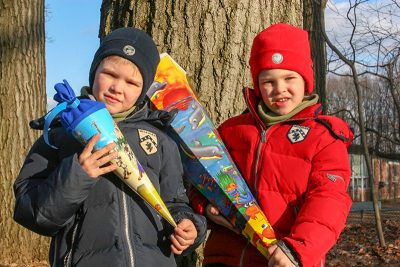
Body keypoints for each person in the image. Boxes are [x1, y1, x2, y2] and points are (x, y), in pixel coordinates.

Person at [13, 27, 206, 267]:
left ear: (143, 89)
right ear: (94, 73)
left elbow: (176, 202)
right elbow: (33, 214)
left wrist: (189, 225)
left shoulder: (160, 140)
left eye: (131, 82)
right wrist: (77, 175)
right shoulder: (59, 137)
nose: (117, 87)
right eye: (110, 74)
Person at [190, 23, 354, 267]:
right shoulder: (232, 130)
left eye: (289, 78)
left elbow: (329, 199)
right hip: (225, 256)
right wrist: (206, 207)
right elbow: (200, 177)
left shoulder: (323, 137)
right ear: (257, 84)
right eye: (268, 81)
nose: (279, 90)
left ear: (306, 80)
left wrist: (297, 249)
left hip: (285, 258)